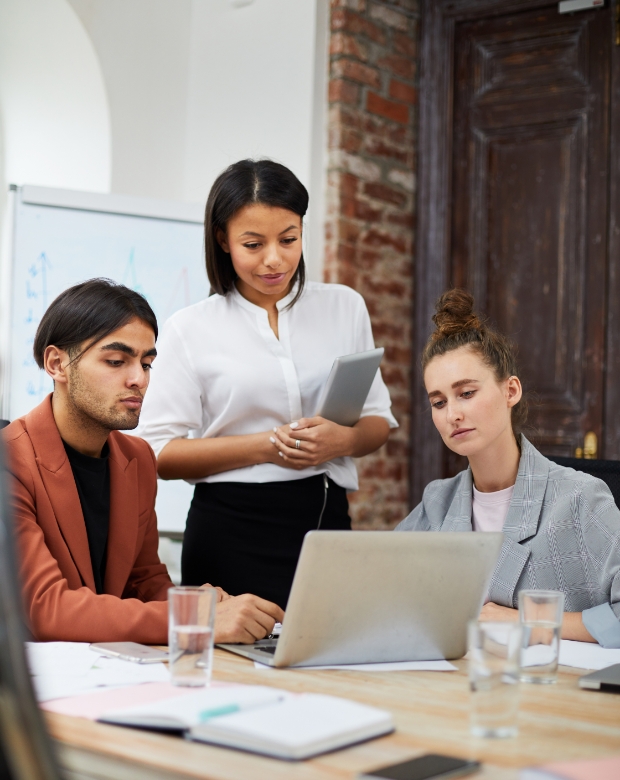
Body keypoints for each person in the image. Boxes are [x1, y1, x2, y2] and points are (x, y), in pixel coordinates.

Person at [137, 159, 397, 609]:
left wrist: (342, 440)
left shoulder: (345, 307)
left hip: (324, 519)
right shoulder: (189, 328)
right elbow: (159, 454)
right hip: (229, 529)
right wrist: (268, 445)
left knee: (332, 668)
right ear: (223, 240)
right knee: (232, 672)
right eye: (253, 244)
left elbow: (378, 421)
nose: (274, 259)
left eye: (289, 239)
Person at [2, 279, 284, 644]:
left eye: (147, 363)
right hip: (36, 684)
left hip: (111, 672)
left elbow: (145, 581)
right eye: (116, 361)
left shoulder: (137, 459)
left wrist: (208, 603)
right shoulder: (10, 461)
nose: (139, 379)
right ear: (57, 363)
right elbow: (45, 608)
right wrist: (196, 617)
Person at [396, 289, 620, 648]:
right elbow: (382, 599)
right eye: (438, 402)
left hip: (553, 693)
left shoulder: (581, 499)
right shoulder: (437, 503)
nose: (452, 413)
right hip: (452, 690)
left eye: (466, 393)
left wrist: (529, 621)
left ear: (510, 390)